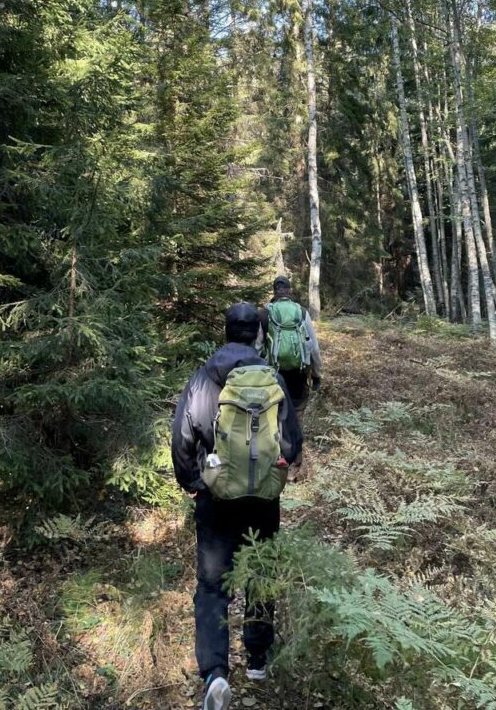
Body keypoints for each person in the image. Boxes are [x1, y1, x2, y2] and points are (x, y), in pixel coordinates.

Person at [172, 302, 303, 710]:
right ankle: (258, 660)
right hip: (263, 498)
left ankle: (214, 673)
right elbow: (292, 443)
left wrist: (193, 483)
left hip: (215, 498)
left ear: (226, 331)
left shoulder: (203, 376)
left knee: (212, 585)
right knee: (260, 574)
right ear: (258, 334)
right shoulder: (272, 379)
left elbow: (182, 438)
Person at [257, 275, 323, 416]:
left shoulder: (264, 314)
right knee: (297, 413)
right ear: (290, 291)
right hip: (298, 375)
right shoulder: (302, 312)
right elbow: (314, 348)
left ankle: (279, 436)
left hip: (273, 375)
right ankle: (295, 436)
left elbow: (256, 348)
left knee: (275, 413)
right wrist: (316, 375)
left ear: (275, 292)